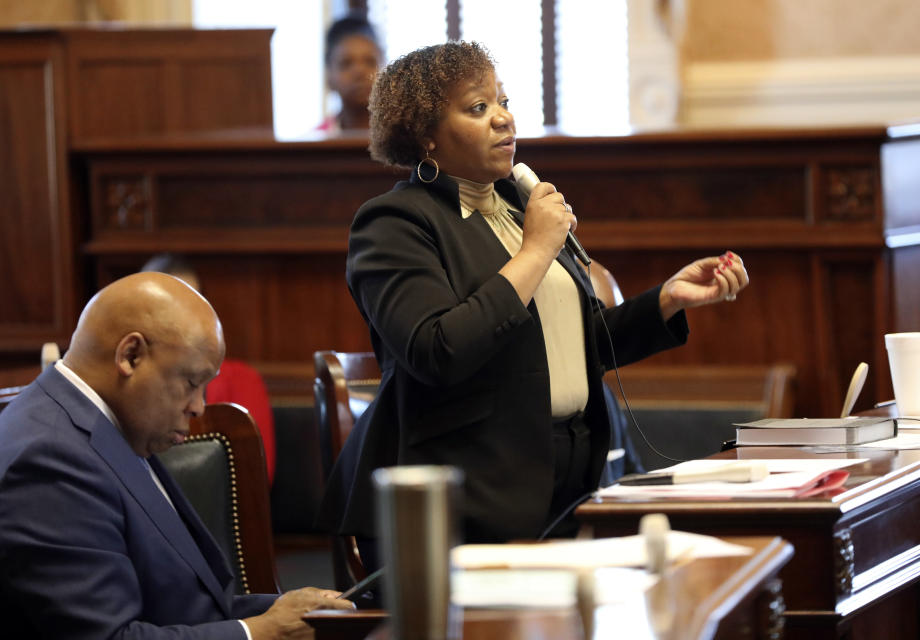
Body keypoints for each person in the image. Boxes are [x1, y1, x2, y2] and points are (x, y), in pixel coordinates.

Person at [318, 42, 749, 566]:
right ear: (426, 135)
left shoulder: (519, 207)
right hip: (464, 509)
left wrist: (665, 300)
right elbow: (439, 350)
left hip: (570, 489)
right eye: (478, 108)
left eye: (503, 101)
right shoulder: (394, 223)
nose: (503, 118)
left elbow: (571, 342)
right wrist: (538, 248)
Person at [0, 273, 353, 638]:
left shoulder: (99, 426)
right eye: (191, 382)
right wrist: (261, 632)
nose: (199, 407)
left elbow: (185, 604)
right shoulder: (46, 462)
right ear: (131, 355)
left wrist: (291, 609)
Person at [141, 253, 278, 486]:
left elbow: (256, 477)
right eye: (165, 307)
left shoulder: (243, 380)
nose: (179, 320)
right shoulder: (128, 386)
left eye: (190, 304)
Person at [316, 13, 383, 133]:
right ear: (329, 76)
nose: (359, 72)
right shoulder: (312, 144)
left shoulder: (409, 139)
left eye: (370, 62)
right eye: (346, 63)